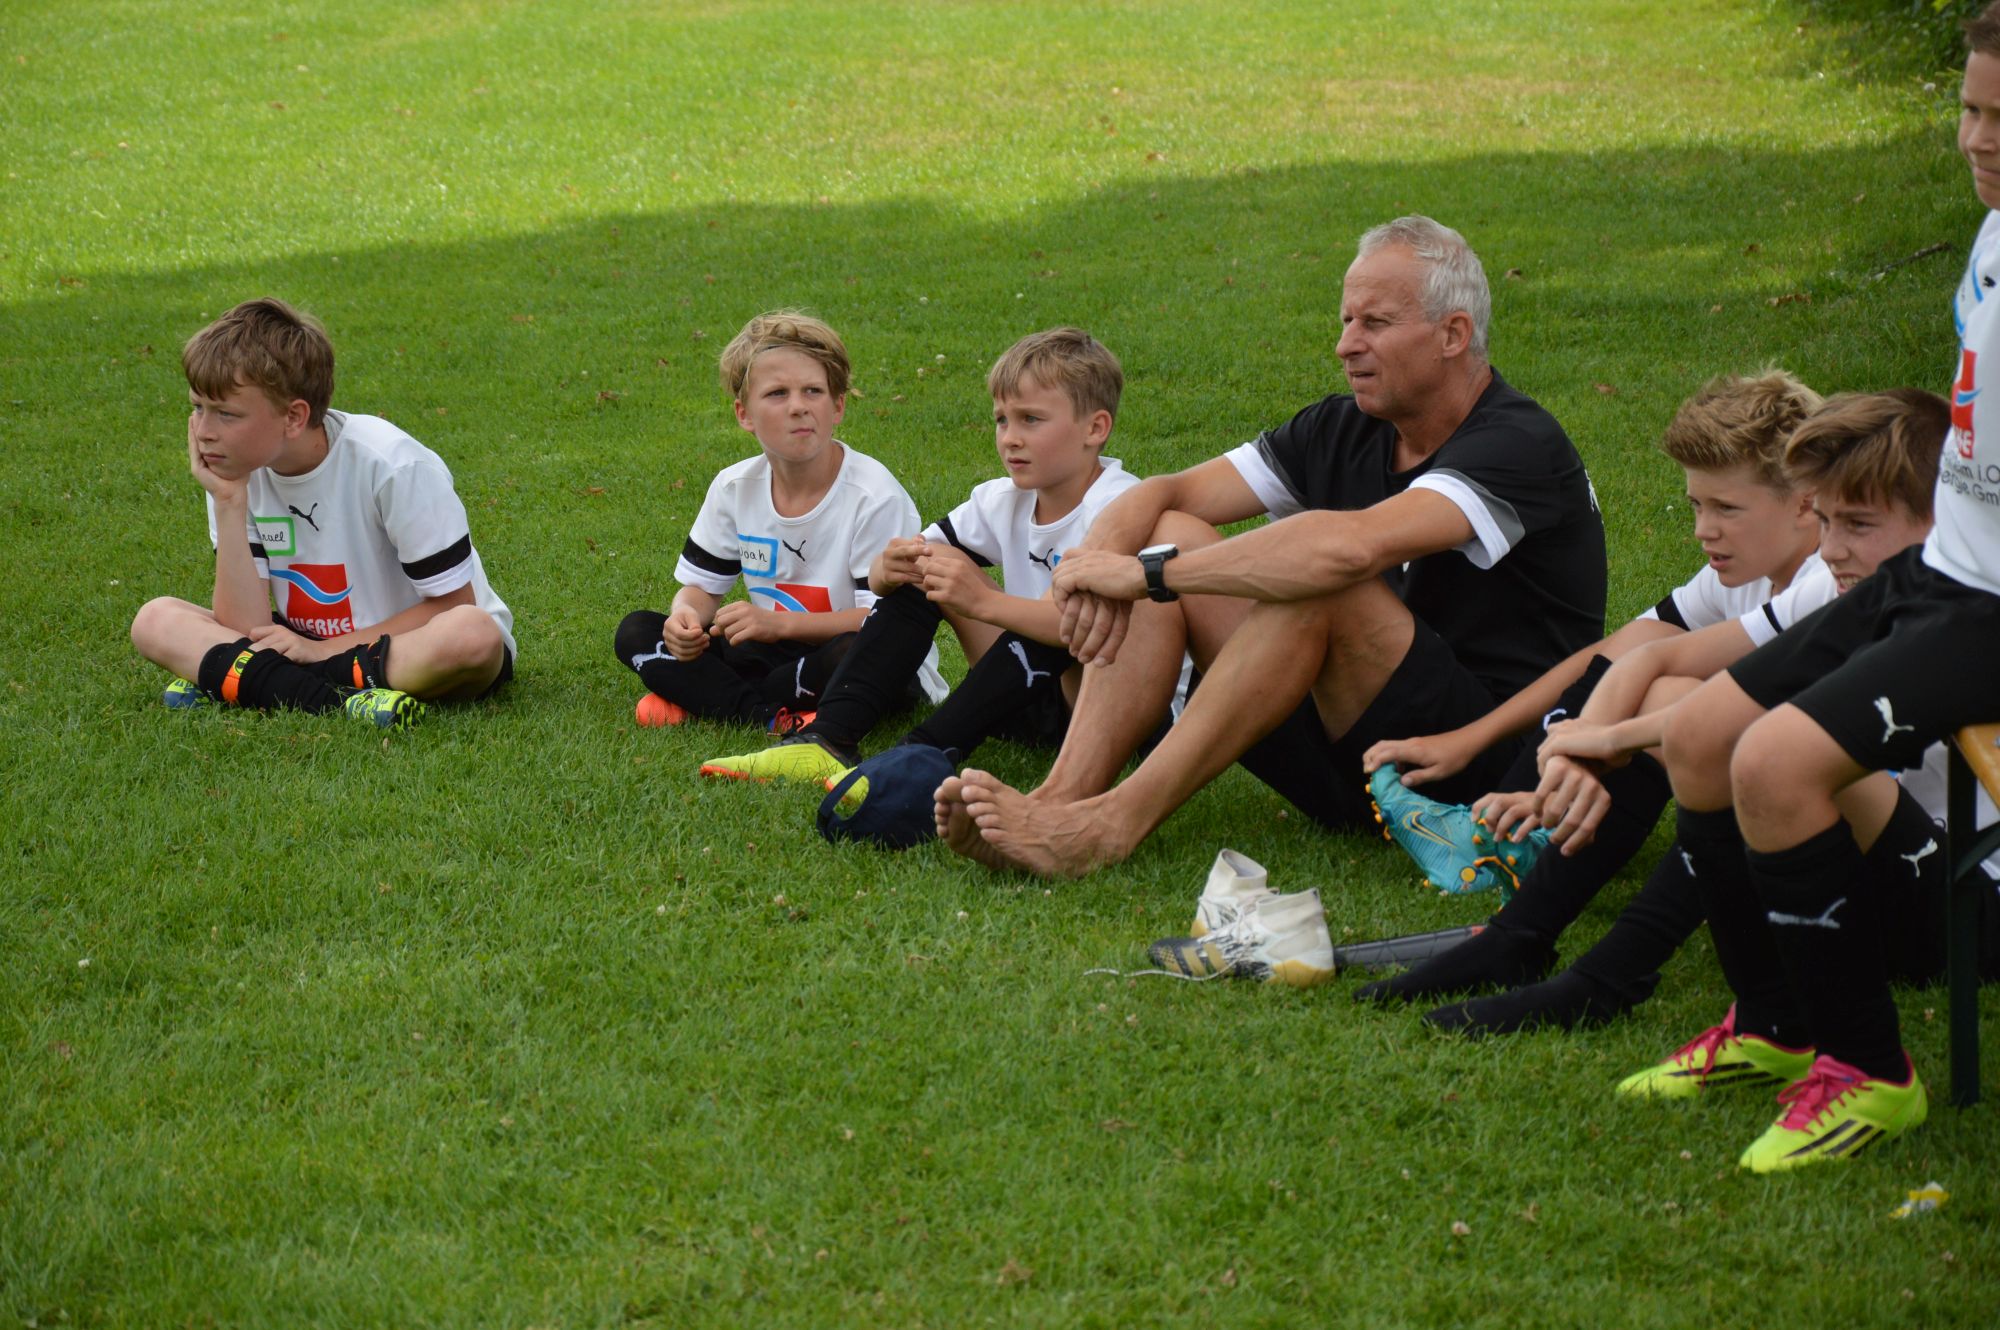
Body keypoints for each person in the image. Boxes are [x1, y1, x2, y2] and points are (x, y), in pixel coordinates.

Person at [1574, 8, 2000, 1171]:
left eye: (1999, 117)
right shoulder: (1989, 236)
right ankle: (1769, 1023)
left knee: (1772, 761)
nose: (1976, 138)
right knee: (1701, 734)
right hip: (1944, 575)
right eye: (1967, 108)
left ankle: (1867, 1072)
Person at [937, 216, 1607, 884]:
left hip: (1481, 773)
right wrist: (1099, 562)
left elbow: (1346, 552)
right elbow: (1169, 491)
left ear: (1453, 334)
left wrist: (1147, 576)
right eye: (1346, 321)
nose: (1345, 345)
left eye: (1374, 324)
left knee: (1319, 581)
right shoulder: (1343, 426)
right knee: (1167, 528)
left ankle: (1111, 825)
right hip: (1356, 756)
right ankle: (1059, 803)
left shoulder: (1519, 445)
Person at [1425, 390, 1950, 1037]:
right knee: (1692, 707)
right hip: (1856, 879)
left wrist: (1604, 741)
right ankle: (1524, 936)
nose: (1833, 548)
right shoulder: (1858, 586)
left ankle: (1606, 976)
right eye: (1830, 523)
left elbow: (1759, 721)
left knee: (1759, 741)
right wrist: (1581, 748)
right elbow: (1644, 654)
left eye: (1857, 525)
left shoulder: (1925, 606)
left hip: (1957, 910)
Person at [1353, 370, 1829, 1003]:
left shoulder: (1830, 582)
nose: (1702, 530)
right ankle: (1521, 911)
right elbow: (1621, 652)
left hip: (1879, 884)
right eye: (1696, 506)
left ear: (1805, 501)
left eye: (1726, 509)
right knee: (1652, 683)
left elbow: (1662, 670)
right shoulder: (1747, 572)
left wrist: (1590, 745)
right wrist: (1475, 741)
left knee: (1680, 706)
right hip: (1805, 850)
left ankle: (1581, 957)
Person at [698, 328, 1141, 784]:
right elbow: (896, 571)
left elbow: (1073, 628)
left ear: (1095, 428)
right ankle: (826, 739)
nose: (1010, 438)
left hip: (1105, 716)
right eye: (1002, 420)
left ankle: (919, 754)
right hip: (1024, 703)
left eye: (1031, 420)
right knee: (926, 569)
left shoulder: (1121, 506)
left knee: (1048, 625)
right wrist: (887, 570)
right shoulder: (1000, 499)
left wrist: (983, 602)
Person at [130, 298, 513, 728]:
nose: (203, 432)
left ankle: (249, 684)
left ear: (294, 417)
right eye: (198, 407)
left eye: (226, 414)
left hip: (407, 643)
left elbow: (452, 605)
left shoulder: (392, 464)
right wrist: (228, 503)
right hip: (297, 642)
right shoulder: (234, 469)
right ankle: (346, 701)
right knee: (154, 620)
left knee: (472, 636)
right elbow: (244, 628)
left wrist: (322, 651)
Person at [614, 311, 945, 733]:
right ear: (744, 414)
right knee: (637, 631)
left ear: (838, 406)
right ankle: (769, 714)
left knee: (851, 652)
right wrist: (685, 620)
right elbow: (701, 589)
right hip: (772, 654)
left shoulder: (874, 495)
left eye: (813, 391)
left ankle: (712, 698)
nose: (798, 407)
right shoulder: (734, 487)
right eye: (777, 394)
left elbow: (882, 625)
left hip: (863, 657)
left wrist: (778, 623)